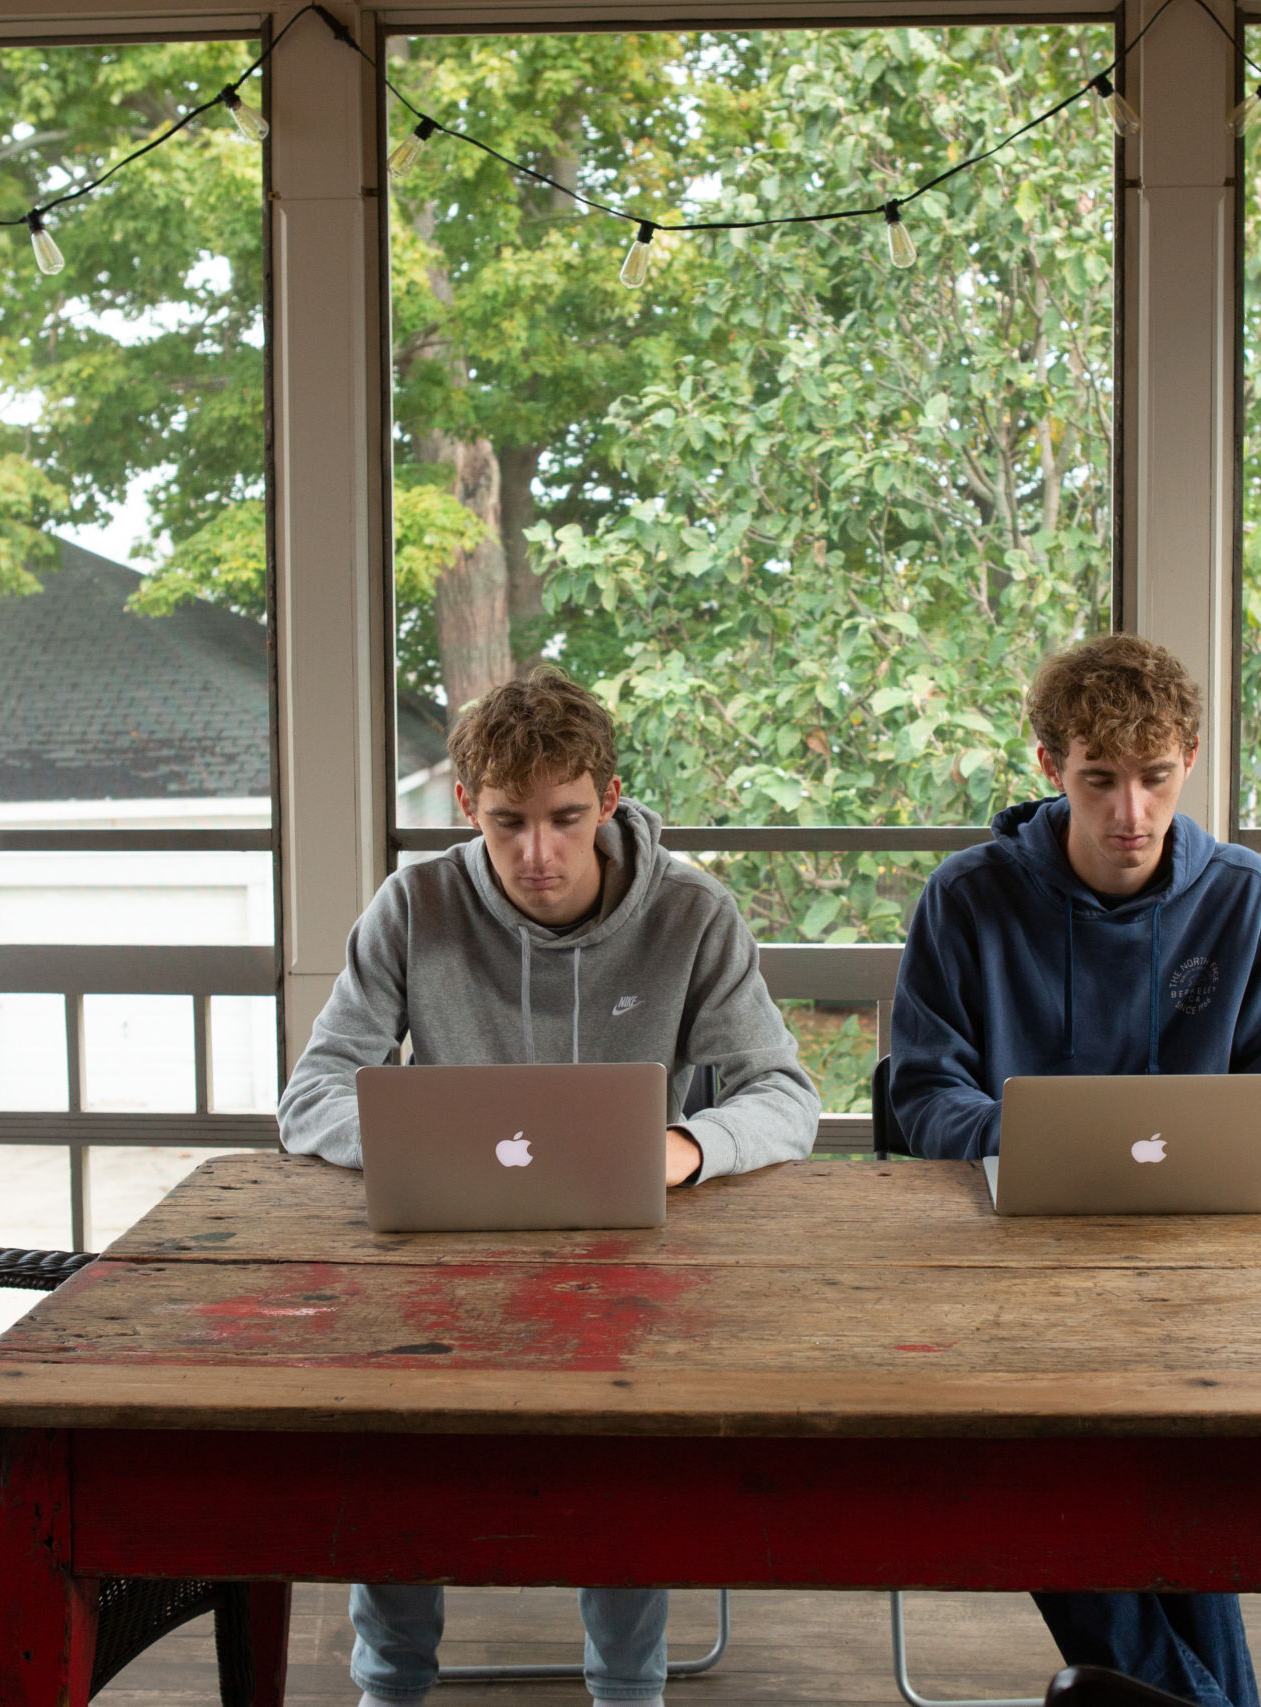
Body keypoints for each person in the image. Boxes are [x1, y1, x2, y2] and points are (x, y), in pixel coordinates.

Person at [278, 668, 820, 1707]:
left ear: (610, 798)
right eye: (507, 822)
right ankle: (389, 1686)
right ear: (464, 808)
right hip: (442, 1261)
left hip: (628, 1266)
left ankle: (629, 1688)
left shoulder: (691, 913)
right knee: (387, 1434)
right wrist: (414, 1143)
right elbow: (311, 1096)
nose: (537, 855)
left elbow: (784, 1096)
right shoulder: (414, 905)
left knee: (624, 1444)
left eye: (567, 819)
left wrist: (685, 1146)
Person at [887, 634, 1261, 1707]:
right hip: (1005, 1281)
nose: (1129, 811)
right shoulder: (964, 899)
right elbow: (915, 1095)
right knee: (1040, 1474)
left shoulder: (1245, 898)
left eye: (1155, 778)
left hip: (1197, 1284)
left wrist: (1246, 1137)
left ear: (1189, 762)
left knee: (1165, 1491)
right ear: (1048, 766)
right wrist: (1025, 1138)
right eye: (1098, 780)